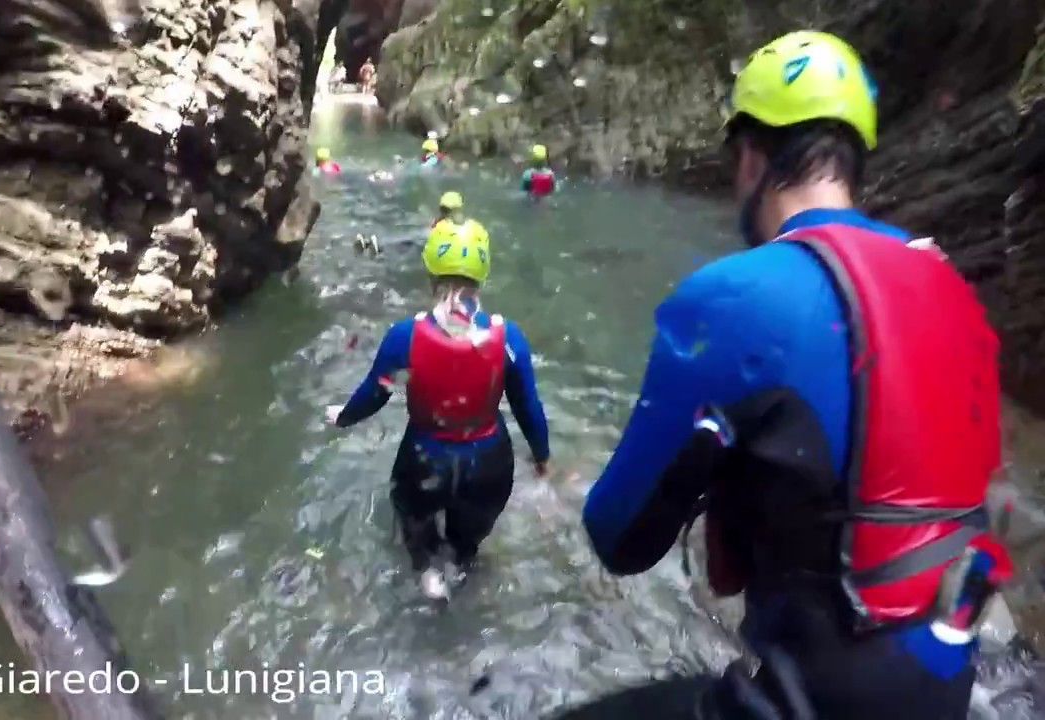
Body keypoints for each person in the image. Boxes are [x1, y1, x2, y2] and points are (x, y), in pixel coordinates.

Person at [574, 30, 1012, 720]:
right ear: (852, 164)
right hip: (947, 676)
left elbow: (617, 538)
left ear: (750, 157)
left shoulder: (730, 296)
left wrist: (702, 467)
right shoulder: (944, 279)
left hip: (810, 698)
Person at [325, 220, 550, 597]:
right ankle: (461, 566)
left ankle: (428, 575)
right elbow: (528, 408)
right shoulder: (508, 336)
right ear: (484, 274)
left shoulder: (404, 337)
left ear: (430, 271)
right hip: (489, 463)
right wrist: (542, 457)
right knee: (467, 543)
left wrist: (343, 417)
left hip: (424, 459)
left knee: (417, 527)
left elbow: (375, 394)